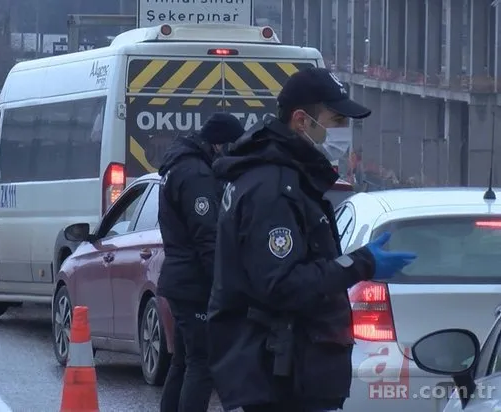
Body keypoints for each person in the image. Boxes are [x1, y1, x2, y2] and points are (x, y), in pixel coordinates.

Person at [207, 67, 417, 412]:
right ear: (302, 121)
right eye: (336, 120)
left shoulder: (288, 177)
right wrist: (361, 263)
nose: (343, 132)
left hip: (292, 372)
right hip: (279, 378)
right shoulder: (274, 188)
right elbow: (281, 283)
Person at [157, 113, 245, 412]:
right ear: (219, 144)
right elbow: (207, 237)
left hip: (181, 280)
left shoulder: (181, 166)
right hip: (194, 284)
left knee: (183, 362)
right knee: (202, 364)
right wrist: (223, 286)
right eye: (233, 146)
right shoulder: (196, 174)